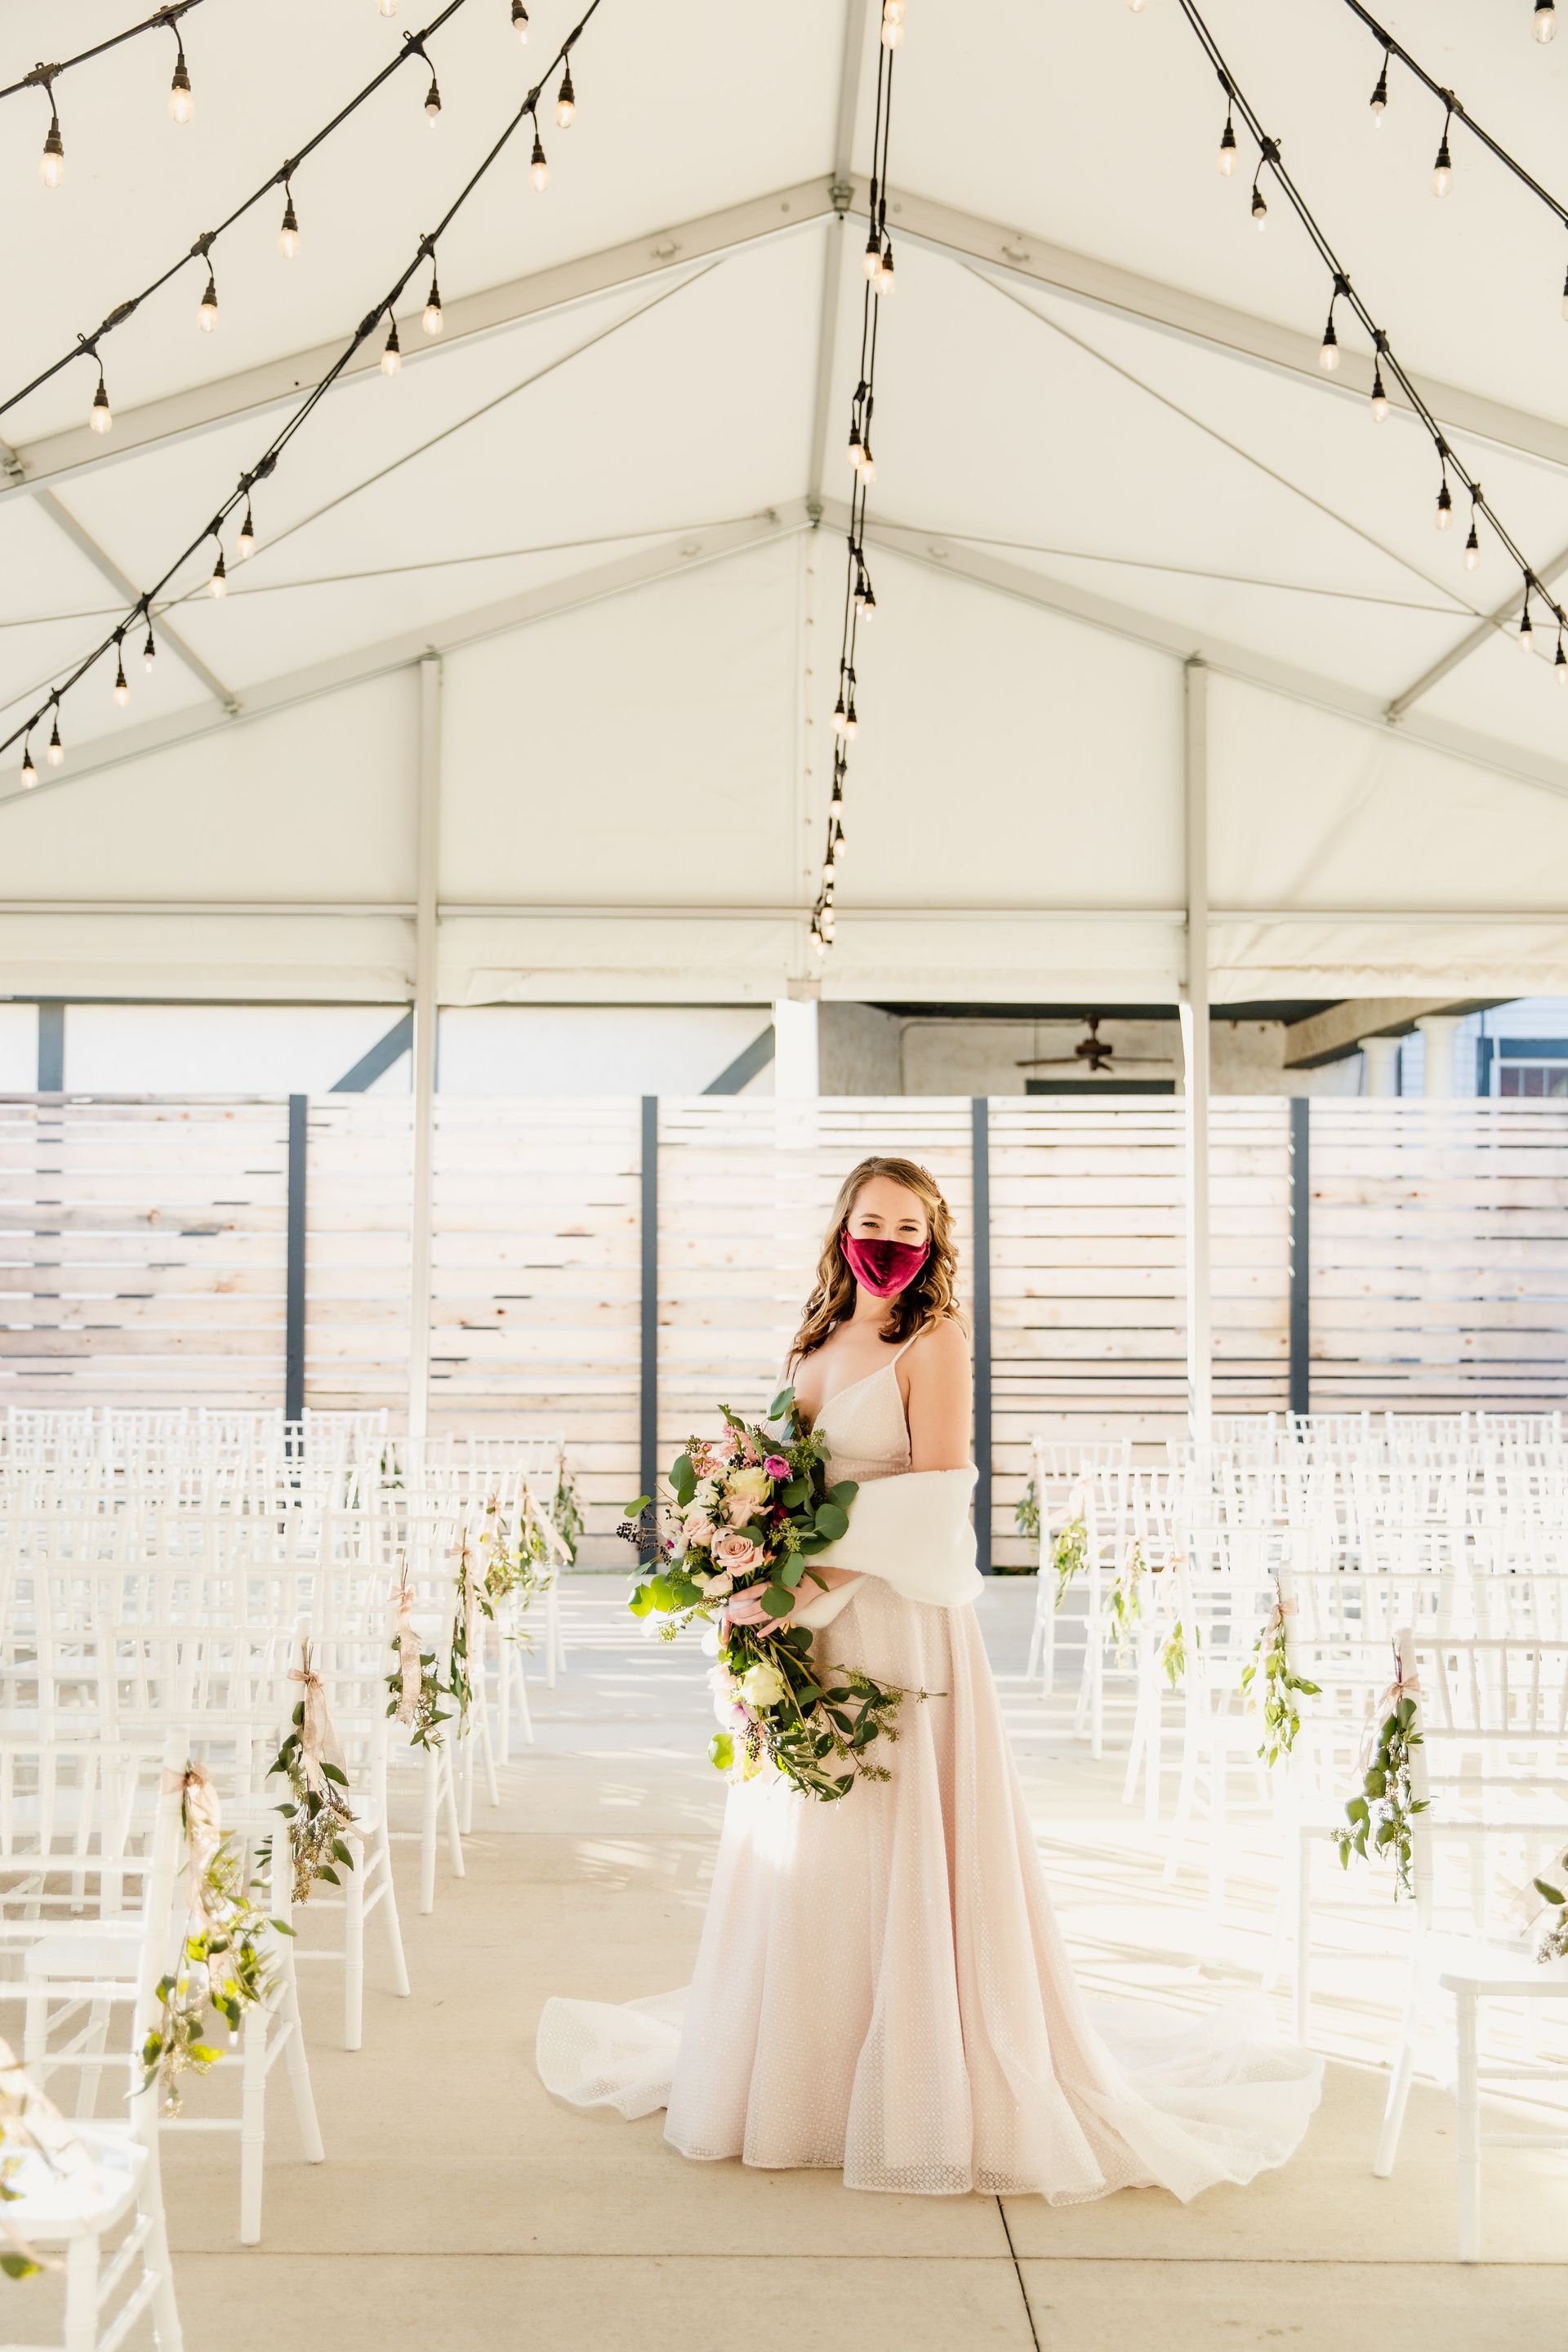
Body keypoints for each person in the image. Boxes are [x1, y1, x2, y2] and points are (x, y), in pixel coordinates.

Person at [537, 1155, 1321, 2200]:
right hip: (807, 1614)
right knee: (815, 1833)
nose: (889, 1248)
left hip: (890, 1616)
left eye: (910, 1232)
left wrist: (801, 1582)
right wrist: (738, 1558)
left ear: (932, 1243)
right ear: (841, 1231)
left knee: (895, 1820)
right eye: (872, 1225)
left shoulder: (934, 1342)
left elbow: (937, 1490)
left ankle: (919, 2072)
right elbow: (778, 1474)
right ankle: (807, 2063)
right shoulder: (814, 1340)